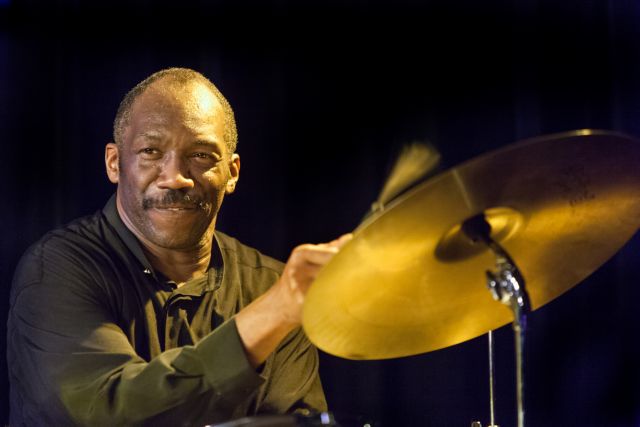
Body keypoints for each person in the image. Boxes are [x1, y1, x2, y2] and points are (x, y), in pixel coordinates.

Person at [7, 67, 351, 426]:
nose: (175, 178)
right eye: (151, 151)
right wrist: (271, 316)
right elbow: (110, 413)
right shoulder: (56, 271)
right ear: (114, 163)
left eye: (201, 155)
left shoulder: (271, 285)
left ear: (232, 172)